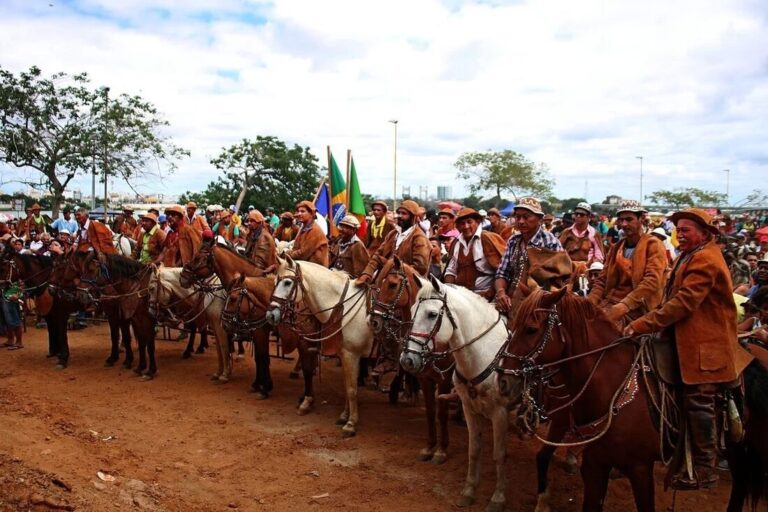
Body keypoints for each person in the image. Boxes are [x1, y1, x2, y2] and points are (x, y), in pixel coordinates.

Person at [624, 207, 753, 490]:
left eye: (686, 230)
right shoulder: (689, 254)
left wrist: (643, 324)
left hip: (707, 342)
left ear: (705, 234)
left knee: (698, 397)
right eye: (678, 230)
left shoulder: (706, 259)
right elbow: (671, 297)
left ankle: (705, 467)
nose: (679, 235)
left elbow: (683, 303)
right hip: (681, 334)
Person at [588, 200, 667, 326]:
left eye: (629, 219)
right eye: (621, 220)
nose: (624, 224)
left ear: (641, 219)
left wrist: (624, 305)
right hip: (610, 302)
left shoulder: (653, 244)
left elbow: (652, 281)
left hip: (639, 306)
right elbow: (602, 280)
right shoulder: (616, 248)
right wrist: (589, 302)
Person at [494, 197, 565, 314]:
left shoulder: (550, 242)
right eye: (518, 217)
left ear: (539, 219)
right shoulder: (513, 240)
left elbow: (559, 280)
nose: (521, 221)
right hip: (512, 300)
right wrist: (501, 293)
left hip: (540, 305)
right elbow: (502, 273)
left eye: (526, 217)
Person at [357, 199, 431, 283]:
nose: (399, 216)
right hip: (385, 278)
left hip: (407, 284)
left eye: (404, 214)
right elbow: (378, 255)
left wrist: (390, 265)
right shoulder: (393, 234)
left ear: (413, 217)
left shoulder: (419, 238)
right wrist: (367, 273)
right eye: (399, 213)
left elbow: (420, 268)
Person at [444, 208, 506, 299]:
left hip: (486, 297)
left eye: (469, 222)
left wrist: (491, 293)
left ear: (477, 222)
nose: (466, 226)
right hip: (461, 297)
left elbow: (503, 271)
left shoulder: (488, 238)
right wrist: (448, 291)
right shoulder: (456, 243)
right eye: (462, 223)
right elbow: (451, 271)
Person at [285, 201, 328, 266]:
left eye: (302, 211)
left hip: (316, 268)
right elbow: (295, 248)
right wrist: (286, 253)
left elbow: (303, 254)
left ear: (311, 214)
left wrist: (286, 254)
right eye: (298, 211)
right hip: (304, 264)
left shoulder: (315, 230)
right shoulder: (303, 228)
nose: (299, 214)